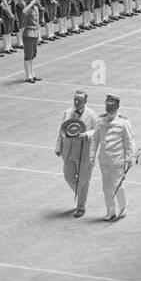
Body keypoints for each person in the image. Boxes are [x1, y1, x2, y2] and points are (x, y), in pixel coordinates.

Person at [91, 93, 137, 220]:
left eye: (111, 106)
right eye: (107, 105)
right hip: (104, 160)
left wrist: (129, 158)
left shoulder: (123, 122)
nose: (108, 108)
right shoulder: (100, 121)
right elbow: (95, 140)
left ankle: (123, 206)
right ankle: (110, 211)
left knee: (117, 185)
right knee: (106, 187)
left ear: (117, 106)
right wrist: (91, 156)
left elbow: (129, 141)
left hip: (118, 160)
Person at [57, 89, 98, 218]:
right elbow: (61, 131)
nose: (76, 102)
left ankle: (81, 207)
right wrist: (58, 146)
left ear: (85, 101)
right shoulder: (67, 112)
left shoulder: (91, 115)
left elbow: (97, 132)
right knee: (68, 176)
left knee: (83, 181)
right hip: (68, 151)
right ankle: (81, 194)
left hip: (84, 152)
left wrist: (86, 135)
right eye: (75, 99)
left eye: (79, 100)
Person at [20, 0, 42, 83]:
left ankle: (32, 74)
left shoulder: (35, 8)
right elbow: (24, 12)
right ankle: (28, 76)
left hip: (35, 32)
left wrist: (37, 4)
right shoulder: (27, 8)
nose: (34, 0)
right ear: (28, 0)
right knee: (28, 55)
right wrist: (31, 3)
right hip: (28, 33)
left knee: (33, 55)